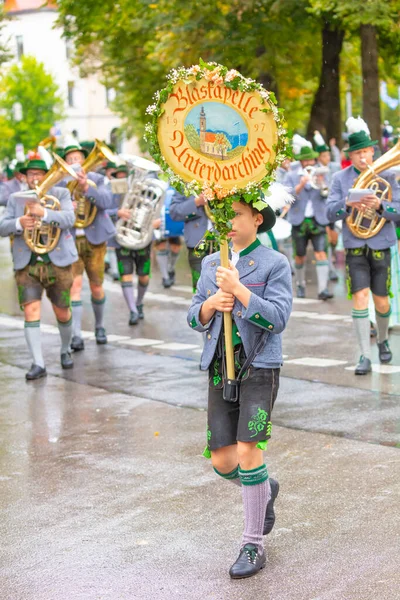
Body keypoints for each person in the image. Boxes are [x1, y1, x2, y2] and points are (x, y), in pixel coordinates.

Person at [187, 195, 292, 579]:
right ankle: (264, 485)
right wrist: (211, 303)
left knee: (249, 450)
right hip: (220, 367)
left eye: (235, 215)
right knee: (223, 461)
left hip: (259, 366)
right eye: (221, 216)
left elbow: (278, 317)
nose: (227, 222)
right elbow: (193, 316)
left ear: (257, 219)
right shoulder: (210, 262)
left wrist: (241, 291)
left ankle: (253, 544)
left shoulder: (274, 263)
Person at [326, 117, 400, 374]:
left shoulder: (388, 174)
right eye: (357, 153)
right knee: (360, 297)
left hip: (380, 244)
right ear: (351, 155)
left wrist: (380, 206)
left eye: (366, 152)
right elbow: (329, 213)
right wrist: (348, 206)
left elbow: (398, 212)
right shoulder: (340, 178)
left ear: (372, 151)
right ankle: (364, 356)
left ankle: (382, 339)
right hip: (355, 245)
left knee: (381, 302)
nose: (362, 157)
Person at [0, 159, 77, 380]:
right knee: (30, 310)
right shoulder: (16, 199)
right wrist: (19, 223)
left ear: (47, 175)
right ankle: (38, 363)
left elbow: (69, 219)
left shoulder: (60, 194)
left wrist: (44, 214)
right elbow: (2, 226)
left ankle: (65, 348)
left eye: (39, 173)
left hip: (58, 261)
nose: (35, 177)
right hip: (27, 263)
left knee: (62, 311)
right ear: (24, 177)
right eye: (30, 174)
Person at [63, 144, 115, 350]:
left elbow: (107, 201)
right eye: (71, 160)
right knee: (74, 286)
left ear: (85, 161)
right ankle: (76, 334)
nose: (75, 163)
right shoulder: (61, 184)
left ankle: (100, 326)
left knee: (96, 285)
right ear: (65, 164)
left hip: (95, 240)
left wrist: (86, 188)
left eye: (78, 158)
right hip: (72, 239)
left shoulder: (99, 179)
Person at [285, 135, 333, 300]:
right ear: (301, 162)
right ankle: (300, 285)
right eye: (305, 161)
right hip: (299, 220)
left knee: (321, 253)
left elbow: (328, 194)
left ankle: (323, 289)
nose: (309, 163)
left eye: (311, 160)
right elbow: (287, 197)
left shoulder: (322, 173)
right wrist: (301, 184)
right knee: (300, 255)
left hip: (317, 219)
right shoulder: (292, 175)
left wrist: (321, 183)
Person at [110, 165, 155, 324]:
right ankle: (133, 310)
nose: (122, 177)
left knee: (143, 276)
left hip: (142, 236)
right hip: (122, 237)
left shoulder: (146, 188)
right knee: (126, 275)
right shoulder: (113, 188)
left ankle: (139, 302)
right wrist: (117, 212)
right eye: (119, 175)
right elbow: (103, 210)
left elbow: (154, 208)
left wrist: (155, 221)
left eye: (124, 174)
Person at [314, 131, 341, 282]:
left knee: (334, 240)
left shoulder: (334, 166)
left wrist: (333, 148)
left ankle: (332, 259)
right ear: (319, 157)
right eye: (324, 156)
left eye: (328, 155)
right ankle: (331, 269)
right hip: (322, 210)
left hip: (334, 207)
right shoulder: (315, 170)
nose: (327, 158)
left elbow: (338, 159)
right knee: (325, 239)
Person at [170, 190, 209, 292]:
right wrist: (197, 202)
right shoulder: (185, 181)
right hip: (197, 243)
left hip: (226, 242)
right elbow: (174, 212)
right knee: (199, 289)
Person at [153, 185, 183, 288]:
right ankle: (165, 277)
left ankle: (170, 268)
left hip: (174, 216)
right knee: (161, 246)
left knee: (175, 247)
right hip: (158, 216)